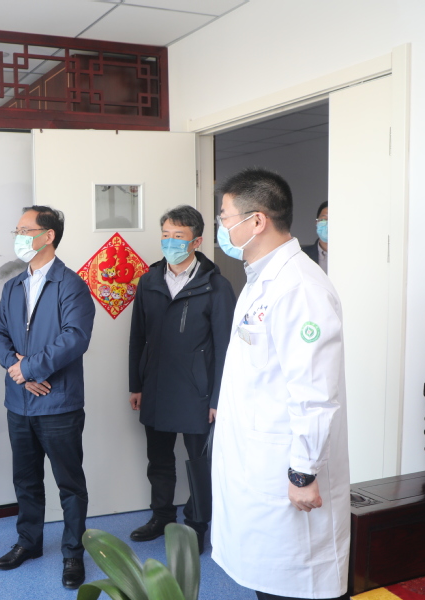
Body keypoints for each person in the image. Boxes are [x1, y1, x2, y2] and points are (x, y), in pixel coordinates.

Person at [212, 168, 350, 600]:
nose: (220, 226)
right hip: (257, 464)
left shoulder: (299, 287)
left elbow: (315, 392)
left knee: (294, 585)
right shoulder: (260, 279)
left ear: (256, 221)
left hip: (287, 473)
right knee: (268, 582)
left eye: (224, 216)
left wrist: (303, 472)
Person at [0, 206, 96, 590]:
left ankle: (73, 553)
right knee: (26, 479)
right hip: (19, 402)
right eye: (17, 230)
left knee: (69, 484)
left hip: (58, 403)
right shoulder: (13, 286)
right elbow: (0, 335)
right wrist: (18, 369)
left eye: (25, 230)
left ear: (48, 236)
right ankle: (29, 542)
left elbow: (75, 338)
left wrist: (31, 368)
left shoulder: (72, 285)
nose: (18, 236)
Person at [127, 205, 235, 554]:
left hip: (197, 391)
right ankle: (161, 516)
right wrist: (136, 385)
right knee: (158, 460)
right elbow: (137, 336)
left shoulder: (216, 286)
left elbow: (226, 348)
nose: (170, 242)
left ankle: (196, 524)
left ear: (196, 241)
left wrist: (218, 399)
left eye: (178, 236)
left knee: (200, 464)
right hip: (156, 386)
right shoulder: (149, 281)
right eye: (166, 235)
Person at [301, 201, 328, 273]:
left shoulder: (350, 254)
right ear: (316, 222)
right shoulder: (303, 255)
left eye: (332, 220)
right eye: (323, 219)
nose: (328, 224)